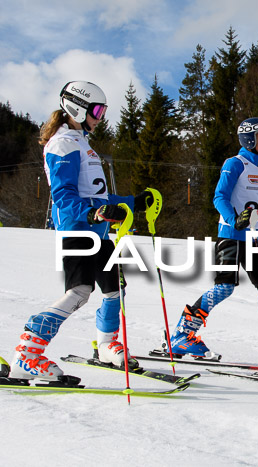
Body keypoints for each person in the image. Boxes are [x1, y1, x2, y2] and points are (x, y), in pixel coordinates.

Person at [9, 81, 153, 382]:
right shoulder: (62, 144)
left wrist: (132, 203)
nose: (100, 118)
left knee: (115, 289)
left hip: (98, 233)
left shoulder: (81, 142)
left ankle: (105, 346)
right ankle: (27, 353)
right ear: (78, 107)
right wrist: (92, 213)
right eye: (97, 110)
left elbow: (98, 196)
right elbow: (64, 196)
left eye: (103, 111)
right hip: (77, 230)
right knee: (79, 292)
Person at [155, 117, 258, 360]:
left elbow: (257, 205)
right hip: (229, 236)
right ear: (249, 139)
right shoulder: (235, 163)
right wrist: (234, 219)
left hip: (254, 239)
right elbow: (219, 197)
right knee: (224, 288)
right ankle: (182, 335)